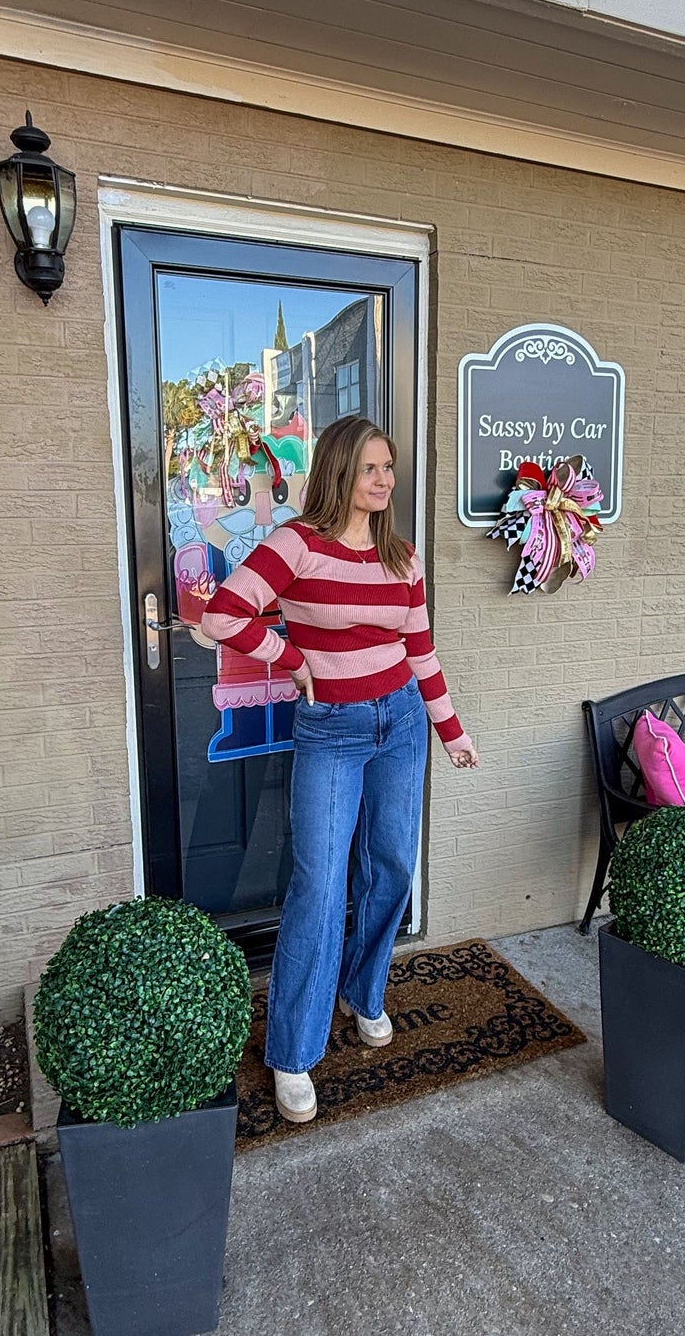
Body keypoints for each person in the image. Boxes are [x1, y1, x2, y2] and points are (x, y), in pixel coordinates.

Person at [200, 415, 478, 1123]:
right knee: (319, 886)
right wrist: (294, 662)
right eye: (370, 469)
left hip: (401, 723)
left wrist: (450, 730)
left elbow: (421, 652)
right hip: (332, 731)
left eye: (388, 468)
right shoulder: (296, 543)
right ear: (338, 473)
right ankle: (293, 1050)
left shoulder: (401, 558)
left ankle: (364, 990)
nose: (384, 480)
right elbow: (224, 614)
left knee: (389, 864)